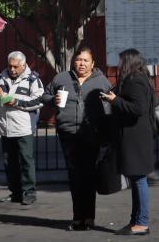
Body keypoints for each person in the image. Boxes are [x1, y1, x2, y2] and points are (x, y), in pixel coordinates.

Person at [42, 45, 111, 230]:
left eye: (85, 60)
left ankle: (89, 217)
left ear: (92, 63)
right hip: (68, 134)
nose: (81, 64)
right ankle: (77, 217)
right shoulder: (62, 77)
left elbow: (110, 104)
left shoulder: (101, 81)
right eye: (79, 60)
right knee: (75, 176)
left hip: (92, 134)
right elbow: (45, 95)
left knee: (89, 176)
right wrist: (52, 99)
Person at [100, 49, 155, 236]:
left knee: (139, 179)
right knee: (136, 178)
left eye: (121, 61)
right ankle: (136, 220)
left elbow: (137, 108)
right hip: (135, 137)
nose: (118, 65)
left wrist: (115, 100)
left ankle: (142, 222)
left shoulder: (135, 80)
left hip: (135, 138)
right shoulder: (136, 79)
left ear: (129, 62)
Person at [0, 51, 44, 205]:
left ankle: (29, 192)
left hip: (23, 128)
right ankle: (15, 192)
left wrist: (16, 102)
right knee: (10, 162)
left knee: (26, 161)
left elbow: (39, 100)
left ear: (23, 65)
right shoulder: (0, 78)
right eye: (10, 66)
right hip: (5, 127)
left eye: (16, 66)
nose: (12, 69)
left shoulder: (32, 79)